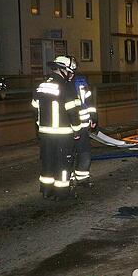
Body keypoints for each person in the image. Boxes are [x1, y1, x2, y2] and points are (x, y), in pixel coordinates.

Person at [32, 56, 83, 200]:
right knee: (63, 164)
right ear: (63, 70)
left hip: (45, 133)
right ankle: (61, 193)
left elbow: (35, 109)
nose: (71, 75)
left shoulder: (41, 86)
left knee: (48, 162)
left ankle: (47, 190)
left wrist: (39, 127)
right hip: (63, 134)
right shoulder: (66, 87)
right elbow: (73, 111)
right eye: (70, 72)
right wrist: (77, 130)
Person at [68, 57, 97, 187]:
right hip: (80, 123)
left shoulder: (63, 82)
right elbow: (89, 101)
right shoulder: (81, 81)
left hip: (70, 124)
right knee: (83, 151)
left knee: (70, 152)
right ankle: (81, 178)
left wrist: (93, 116)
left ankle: (71, 179)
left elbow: (88, 100)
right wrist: (93, 116)